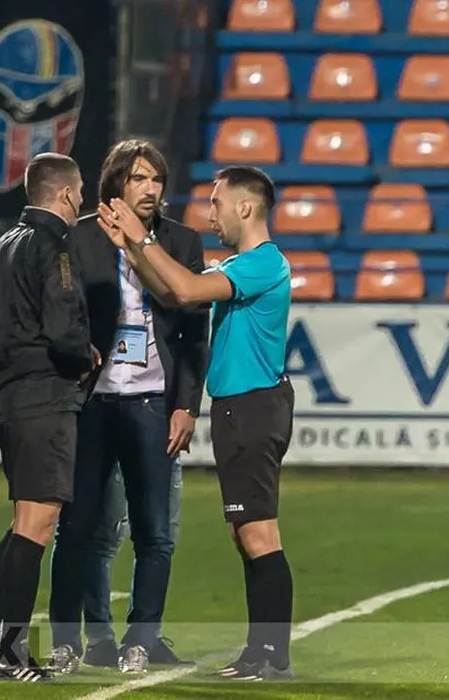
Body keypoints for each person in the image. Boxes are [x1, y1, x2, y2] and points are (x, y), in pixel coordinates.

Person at [97, 165, 295, 681]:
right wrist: (134, 251)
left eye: (217, 203)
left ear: (245, 207)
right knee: (245, 533)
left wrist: (143, 238)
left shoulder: (262, 262)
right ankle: (261, 653)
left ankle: (270, 656)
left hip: (253, 408)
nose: (211, 214)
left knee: (258, 534)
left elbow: (185, 290)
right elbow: (171, 296)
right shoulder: (242, 265)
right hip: (240, 409)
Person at [48, 140, 208, 675]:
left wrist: (187, 405)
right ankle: (71, 640)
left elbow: (194, 332)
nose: (150, 188)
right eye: (139, 178)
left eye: (156, 179)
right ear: (115, 183)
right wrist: (74, 358)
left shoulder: (181, 241)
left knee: (154, 532)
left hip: (153, 403)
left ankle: (142, 639)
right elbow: (60, 311)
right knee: (78, 528)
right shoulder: (78, 238)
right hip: (92, 402)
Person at [0, 152, 98, 682]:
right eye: (79, 191)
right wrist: (85, 355)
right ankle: (8, 651)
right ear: (64, 194)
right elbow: (64, 329)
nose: (82, 200)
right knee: (37, 523)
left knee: (23, 522)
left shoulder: (3, 244)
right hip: (43, 397)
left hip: (8, 394)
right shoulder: (53, 246)